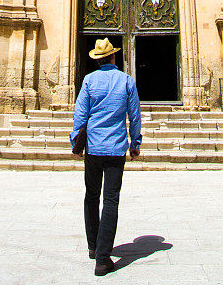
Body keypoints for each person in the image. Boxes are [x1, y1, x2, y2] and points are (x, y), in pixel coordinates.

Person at [70, 37, 142, 277]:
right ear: (114, 57)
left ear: (97, 60)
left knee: (91, 196)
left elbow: (80, 114)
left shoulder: (89, 81)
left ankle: (93, 246)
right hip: (115, 148)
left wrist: (75, 143)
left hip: (93, 148)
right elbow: (134, 114)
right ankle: (103, 258)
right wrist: (136, 143)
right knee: (110, 200)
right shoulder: (126, 81)